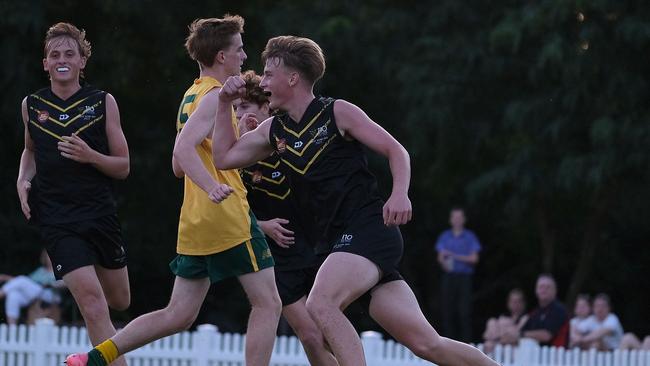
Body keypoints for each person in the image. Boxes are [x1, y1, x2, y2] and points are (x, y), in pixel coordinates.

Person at [211, 35, 500, 366]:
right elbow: (224, 157)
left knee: (320, 304)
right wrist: (222, 104)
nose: (261, 82)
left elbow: (396, 151)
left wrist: (399, 193)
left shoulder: (337, 111)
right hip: (339, 247)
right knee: (426, 344)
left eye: (268, 74)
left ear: (292, 78)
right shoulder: (273, 130)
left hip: (369, 229)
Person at [65, 16, 282, 366]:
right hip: (227, 215)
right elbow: (183, 152)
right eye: (239, 49)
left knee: (177, 315)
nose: (244, 56)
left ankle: (97, 356)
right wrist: (213, 186)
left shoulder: (191, 95)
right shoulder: (213, 96)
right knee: (268, 302)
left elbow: (179, 166)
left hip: (195, 221)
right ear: (222, 56)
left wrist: (237, 136)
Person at [17, 22, 131, 366]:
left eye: (70, 53)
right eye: (55, 55)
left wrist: (90, 156)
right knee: (93, 305)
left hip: (99, 214)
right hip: (57, 219)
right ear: (45, 63)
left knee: (120, 300)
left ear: (82, 61)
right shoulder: (32, 105)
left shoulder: (102, 102)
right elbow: (30, 151)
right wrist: (23, 181)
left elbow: (123, 166)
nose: (62, 59)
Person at [235, 70, 338, 366]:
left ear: (265, 107)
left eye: (244, 107)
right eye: (234, 109)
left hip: (314, 244)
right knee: (309, 334)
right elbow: (224, 207)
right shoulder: (234, 156)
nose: (238, 114)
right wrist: (261, 226)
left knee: (325, 333)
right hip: (277, 258)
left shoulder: (286, 138)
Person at [435, 207, 482, 342]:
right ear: (450, 220)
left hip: (464, 278)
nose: (457, 220)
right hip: (449, 277)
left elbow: (474, 259)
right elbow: (440, 258)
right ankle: (448, 342)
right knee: (448, 310)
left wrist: (454, 256)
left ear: (464, 220)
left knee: (464, 311)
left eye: (459, 217)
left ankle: (466, 343)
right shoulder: (445, 236)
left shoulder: (470, 237)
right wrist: (445, 262)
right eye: (454, 217)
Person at [0, 249, 65, 324]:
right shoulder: (41, 270)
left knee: (21, 280)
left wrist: (53, 284)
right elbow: (25, 282)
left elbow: (65, 283)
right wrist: (5, 278)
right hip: (35, 293)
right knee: (13, 295)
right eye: (48, 256)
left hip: (50, 295)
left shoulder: (60, 270)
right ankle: (12, 328)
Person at [520, 274, 569, 347]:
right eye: (541, 287)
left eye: (548, 287)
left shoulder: (559, 310)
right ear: (536, 290)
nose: (544, 290)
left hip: (555, 356)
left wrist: (521, 334)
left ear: (555, 291)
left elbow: (546, 335)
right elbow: (522, 331)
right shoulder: (535, 312)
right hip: (534, 354)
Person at [482, 288, 528, 353]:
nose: (515, 304)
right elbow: (487, 335)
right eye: (513, 301)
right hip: (498, 353)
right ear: (508, 303)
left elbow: (514, 336)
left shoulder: (526, 318)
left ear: (523, 303)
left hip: (516, 353)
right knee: (491, 322)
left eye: (518, 301)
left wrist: (496, 341)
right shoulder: (503, 317)